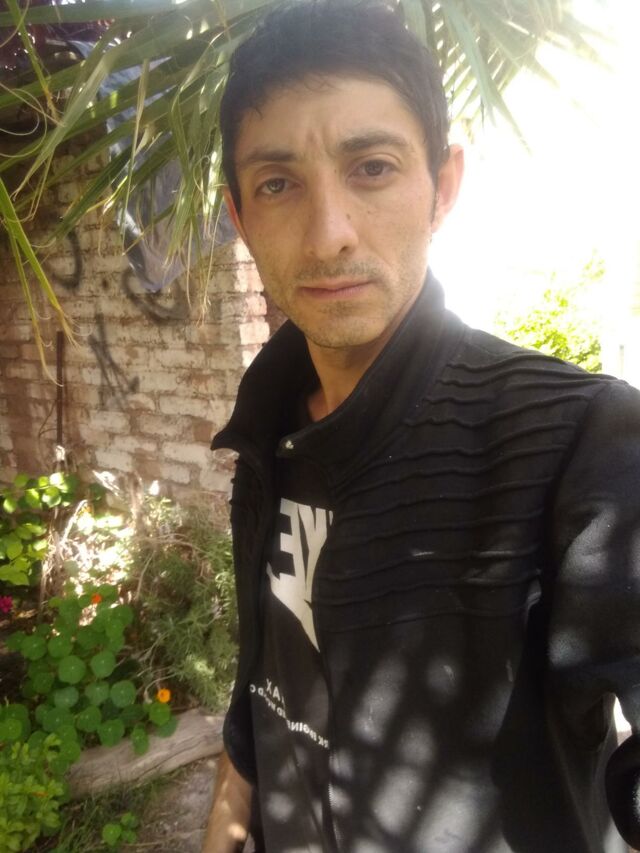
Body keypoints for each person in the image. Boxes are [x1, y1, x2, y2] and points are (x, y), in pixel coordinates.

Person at [203, 2, 640, 850]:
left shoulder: (581, 443)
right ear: (240, 215)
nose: (329, 236)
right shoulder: (264, 432)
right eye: (278, 183)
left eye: (371, 167)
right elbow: (262, 683)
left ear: (442, 186)